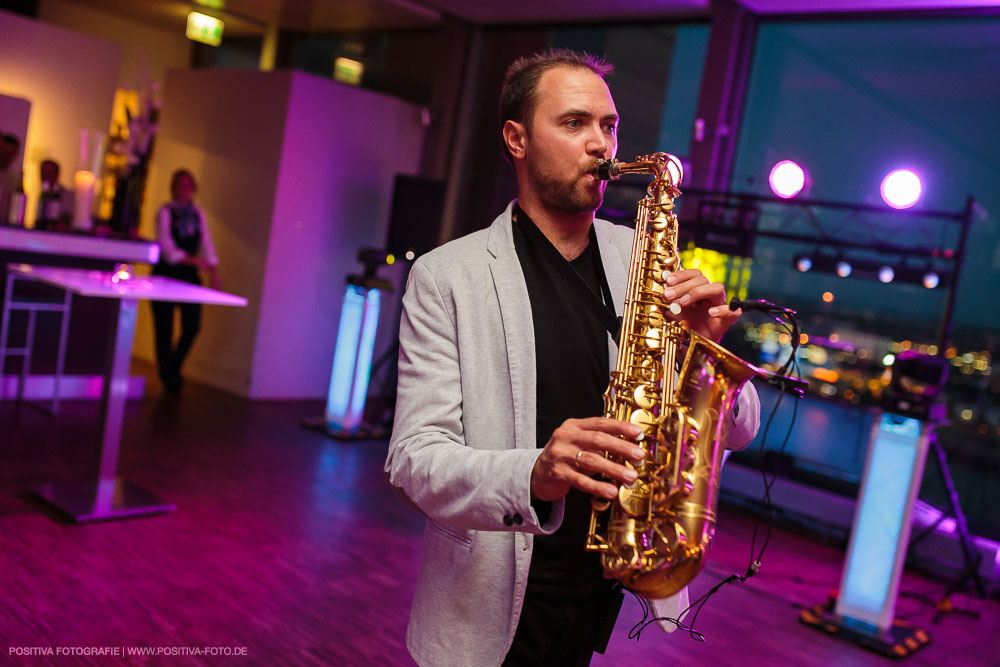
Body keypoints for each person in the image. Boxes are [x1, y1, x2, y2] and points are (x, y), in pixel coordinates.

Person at [384, 49, 761, 667]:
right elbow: (414, 459)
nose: (599, 144)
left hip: (611, 588)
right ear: (517, 139)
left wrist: (704, 348)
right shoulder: (446, 276)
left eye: (608, 126)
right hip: (490, 604)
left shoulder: (646, 256)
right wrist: (536, 472)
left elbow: (735, 432)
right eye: (573, 123)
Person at [150, 169, 219, 395]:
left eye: (188, 185)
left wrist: (212, 270)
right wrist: (195, 261)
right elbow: (169, 250)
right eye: (180, 185)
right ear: (173, 188)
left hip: (189, 276)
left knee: (192, 325)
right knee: (164, 328)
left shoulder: (198, 215)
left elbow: (207, 242)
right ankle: (168, 375)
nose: (184, 190)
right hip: (166, 274)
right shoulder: (166, 212)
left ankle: (173, 368)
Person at [36, 159, 72, 230]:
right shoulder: (41, 193)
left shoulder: (67, 196)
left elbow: (69, 218)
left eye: (49, 173)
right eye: (44, 173)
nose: (46, 177)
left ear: (57, 174)